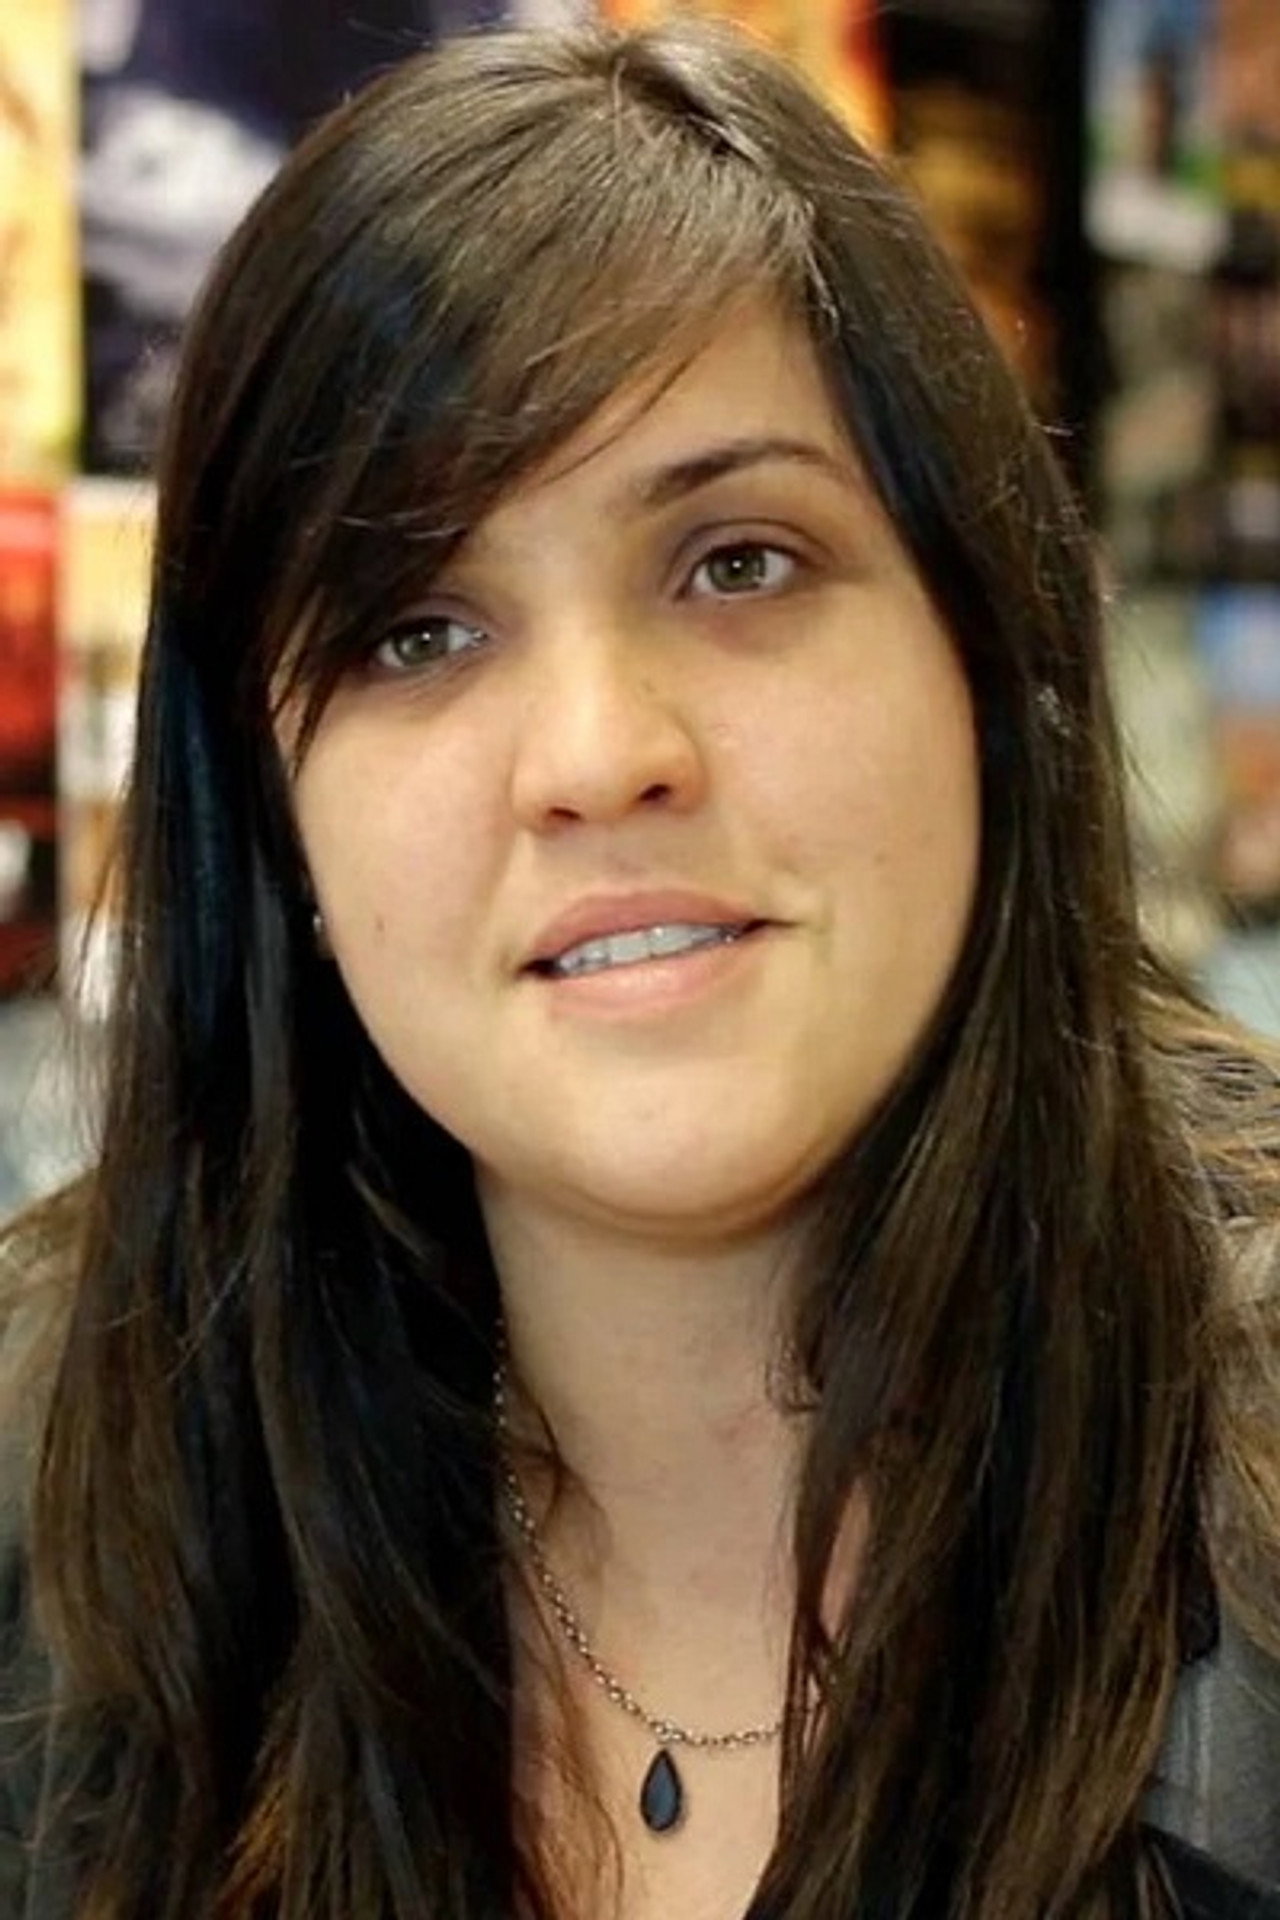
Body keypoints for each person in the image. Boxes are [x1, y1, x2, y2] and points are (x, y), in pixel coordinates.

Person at [2, 17, 1279, 1919]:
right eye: (416, 629)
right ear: (271, 816)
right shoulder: (59, 1518)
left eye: (738, 562)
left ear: (989, 656)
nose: (601, 755)